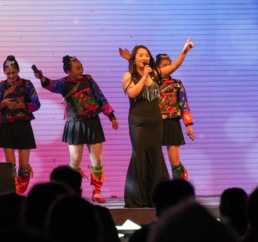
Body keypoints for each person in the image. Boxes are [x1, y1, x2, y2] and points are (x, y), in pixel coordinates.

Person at [33, 55, 119, 203]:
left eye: (81, 67)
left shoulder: (88, 80)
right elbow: (51, 85)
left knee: (97, 160)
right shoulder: (64, 83)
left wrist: (111, 116)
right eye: (77, 68)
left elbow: (101, 98)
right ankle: (71, 192)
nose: (81, 70)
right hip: (75, 124)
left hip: (92, 122)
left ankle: (97, 191)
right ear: (68, 71)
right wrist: (42, 78)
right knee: (75, 162)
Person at [120, 39, 194, 208]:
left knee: (156, 156)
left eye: (146, 55)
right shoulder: (128, 75)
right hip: (138, 123)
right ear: (134, 59)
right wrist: (144, 76)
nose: (144, 57)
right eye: (141, 55)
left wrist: (184, 52)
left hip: (155, 121)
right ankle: (137, 198)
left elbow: (174, 66)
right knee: (140, 156)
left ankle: (156, 198)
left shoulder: (155, 73)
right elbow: (132, 93)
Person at [0, 55, 41, 194]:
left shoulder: (27, 84)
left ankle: (20, 191)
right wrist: (3, 103)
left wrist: (23, 105)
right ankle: (11, 193)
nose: (11, 76)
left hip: (23, 125)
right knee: (10, 165)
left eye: (13, 72)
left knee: (24, 165)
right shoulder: (2, 85)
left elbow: (37, 104)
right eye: (8, 73)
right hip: (6, 125)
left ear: (18, 70)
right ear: (4, 73)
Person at [155, 53, 196, 179]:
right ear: (157, 67)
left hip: (172, 123)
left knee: (175, 162)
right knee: (153, 161)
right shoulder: (151, 84)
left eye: (170, 65)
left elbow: (184, 105)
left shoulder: (177, 84)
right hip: (154, 123)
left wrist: (188, 125)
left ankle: (178, 185)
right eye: (164, 66)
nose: (168, 68)